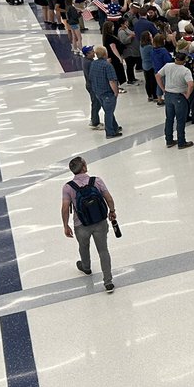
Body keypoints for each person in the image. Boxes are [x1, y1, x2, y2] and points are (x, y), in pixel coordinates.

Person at [60, 156, 117, 294]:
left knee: (83, 246)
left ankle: (86, 266)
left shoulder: (68, 187)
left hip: (81, 224)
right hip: (100, 222)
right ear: (84, 167)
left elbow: (65, 207)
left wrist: (65, 225)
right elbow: (108, 198)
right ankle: (108, 281)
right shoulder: (96, 181)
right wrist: (112, 211)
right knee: (103, 251)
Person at [157, 50, 194, 149]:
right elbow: (191, 84)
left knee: (169, 119)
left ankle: (169, 140)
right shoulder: (185, 70)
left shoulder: (167, 66)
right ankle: (181, 142)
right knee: (180, 120)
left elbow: (158, 76)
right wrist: (187, 94)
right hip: (179, 96)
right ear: (184, 60)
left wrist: (163, 89)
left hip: (168, 95)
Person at [87, 44, 122, 137]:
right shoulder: (107, 66)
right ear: (105, 54)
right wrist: (116, 92)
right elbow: (112, 81)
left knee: (108, 110)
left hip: (98, 92)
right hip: (107, 93)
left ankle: (115, 127)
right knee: (109, 112)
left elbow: (91, 77)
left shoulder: (93, 63)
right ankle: (110, 132)